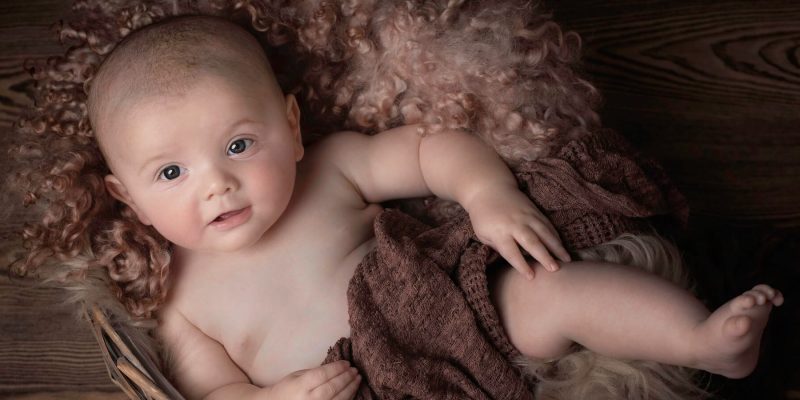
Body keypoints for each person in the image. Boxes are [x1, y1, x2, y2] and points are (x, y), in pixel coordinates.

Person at [24, 14, 783, 400]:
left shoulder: (326, 170)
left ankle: (702, 342)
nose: (215, 186)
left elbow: (426, 148)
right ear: (127, 197)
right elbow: (211, 391)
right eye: (170, 172)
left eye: (237, 145)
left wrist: (486, 194)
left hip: (452, 314)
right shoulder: (176, 300)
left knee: (551, 289)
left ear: (290, 127)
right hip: (359, 389)